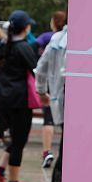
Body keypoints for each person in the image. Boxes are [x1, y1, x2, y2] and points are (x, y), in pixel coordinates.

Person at [0, 11, 39, 182]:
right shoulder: (23, 48)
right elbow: (36, 69)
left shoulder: (3, 45)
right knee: (19, 142)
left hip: (3, 100)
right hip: (20, 101)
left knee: (16, 140)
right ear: (26, 28)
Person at [37, 17, 67, 182]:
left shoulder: (57, 38)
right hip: (76, 105)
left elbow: (41, 67)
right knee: (67, 153)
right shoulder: (83, 39)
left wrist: (41, 91)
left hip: (59, 101)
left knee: (66, 151)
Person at [38, 10, 66, 169]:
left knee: (48, 120)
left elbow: (41, 66)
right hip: (61, 91)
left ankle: (46, 151)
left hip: (53, 90)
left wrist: (41, 90)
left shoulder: (51, 38)